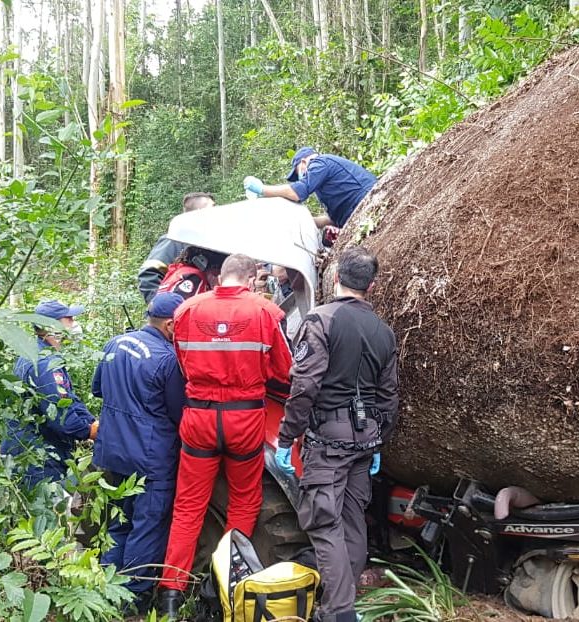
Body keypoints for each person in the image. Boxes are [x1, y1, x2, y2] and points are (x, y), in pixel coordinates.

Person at [155, 253, 293, 617]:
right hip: (244, 419)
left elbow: (182, 364)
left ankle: (170, 595)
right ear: (249, 280)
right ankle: (221, 587)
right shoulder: (265, 313)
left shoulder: (186, 311)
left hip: (199, 418)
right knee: (244, 502)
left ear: (221, 277)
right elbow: (284, 370)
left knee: (187, 507)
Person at [273, 247, 399, 622]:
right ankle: (348, 604)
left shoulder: (321, 320)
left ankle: (340, 612)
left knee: (324, 521)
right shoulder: (384, 331)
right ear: (371, 286)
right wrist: (379, 439)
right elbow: (389, 394)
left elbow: (305, 384)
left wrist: (286, 436)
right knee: (351, 519)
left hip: (328, 440)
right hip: (365, 440)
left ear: (336, 279)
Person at [91, 292, 187, 613]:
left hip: (112, 452)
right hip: (151, 459)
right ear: (171, 325)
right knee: (147, 525)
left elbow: (97, 389)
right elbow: (178, 412)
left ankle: (105, 591)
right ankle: (132, 598)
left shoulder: (114, 343)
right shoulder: (167, 360)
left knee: (118, 521)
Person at [1, 300, 99, 489]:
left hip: (30, 448)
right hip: (37, 456)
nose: (74, 323)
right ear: (51, 326)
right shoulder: (44, 364)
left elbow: (66, 398)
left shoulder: (37, 352)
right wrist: (88, 431)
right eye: (69, 319)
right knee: (48, 512)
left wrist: (90, 419)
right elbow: (61, 417)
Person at [243, 147, 377, 230]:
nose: (300, 178)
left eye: (298, 174)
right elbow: (331, 219)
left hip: (366, 201)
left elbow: (297, 192)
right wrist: (305, 222)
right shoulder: (322, 187)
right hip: (353, 215)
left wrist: (262, 190)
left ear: (303, 162)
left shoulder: (320, 163)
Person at [138, 191, 216, 302]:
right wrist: (161, 307)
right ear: (199, 213)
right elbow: (149, 274)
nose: (217, 211)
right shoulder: (174, 240)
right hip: (179, 314)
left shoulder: (212, 242)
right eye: (212, 207)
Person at [156, 245, 227, 301]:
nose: (217, 276)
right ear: (203, 263)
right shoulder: (194, 278)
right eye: (216, 269)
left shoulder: (182, 272)